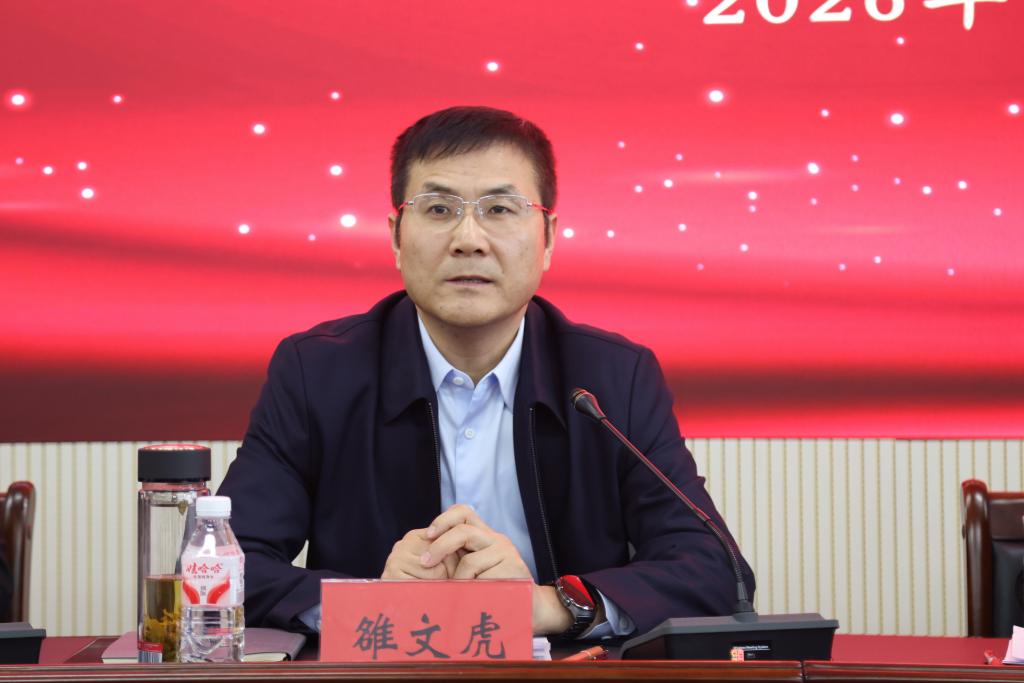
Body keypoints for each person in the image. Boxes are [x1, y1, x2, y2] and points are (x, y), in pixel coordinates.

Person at [218, 105, 754, 640]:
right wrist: (373, 602)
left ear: (548, 237)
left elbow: (713, 569)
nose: (468, 239)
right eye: (438, 209)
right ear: (396, 237)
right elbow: (223, 564)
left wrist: (549, 605)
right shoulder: (317, 372)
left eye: (499, 209)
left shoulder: (613, 379)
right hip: (383, 674)